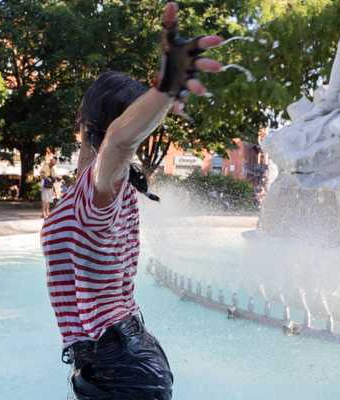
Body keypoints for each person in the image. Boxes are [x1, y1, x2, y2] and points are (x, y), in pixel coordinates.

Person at [40, 3, 222, 399]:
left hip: (120, 366)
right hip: (116, 359)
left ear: (83, 117)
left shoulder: (101, 187)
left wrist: (167, 85)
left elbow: (118, 141)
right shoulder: (98, 190)